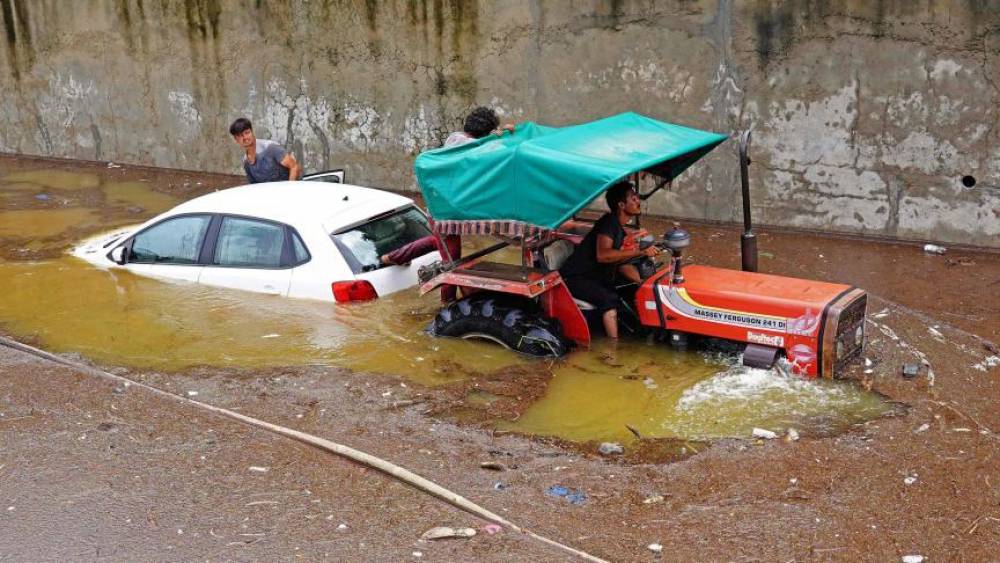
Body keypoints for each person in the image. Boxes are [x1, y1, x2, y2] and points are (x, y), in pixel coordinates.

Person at [379, 107, 513, 301]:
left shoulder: (455, 138)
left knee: (440, 242)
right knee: (452, 262)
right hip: (444, 214)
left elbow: (481, 142)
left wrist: (495, 134)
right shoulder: (467, 145)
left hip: (442, 208)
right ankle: (447, 303)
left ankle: (393, 257)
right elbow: (489, 147)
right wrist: (502, 136)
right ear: (485, 133)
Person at [559, 181, 661, 340]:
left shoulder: (618, 226)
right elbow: (604, 255)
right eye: (633, 199)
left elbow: (621, 263)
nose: (637, 202)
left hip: (592, 276)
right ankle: (613, 348)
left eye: (637, 198)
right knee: (610, 300)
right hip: (574, 278)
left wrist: (642, 282)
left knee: (628, 288)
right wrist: (638, 250)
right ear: (621, 204)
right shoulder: (609, 223)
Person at [229, 117, 302, 183]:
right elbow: (254, 186)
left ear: (252, 132)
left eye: (247, 133)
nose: (245, 137)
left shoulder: (271, 148)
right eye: (240, 135)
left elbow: (294, 167)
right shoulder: (246, 162)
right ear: (236, 140)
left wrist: (289, 191)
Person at [444, 106, 515, 147]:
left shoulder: (453, 137)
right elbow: (505, 151)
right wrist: (508, 135)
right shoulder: (482, 148)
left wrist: (489, 137)